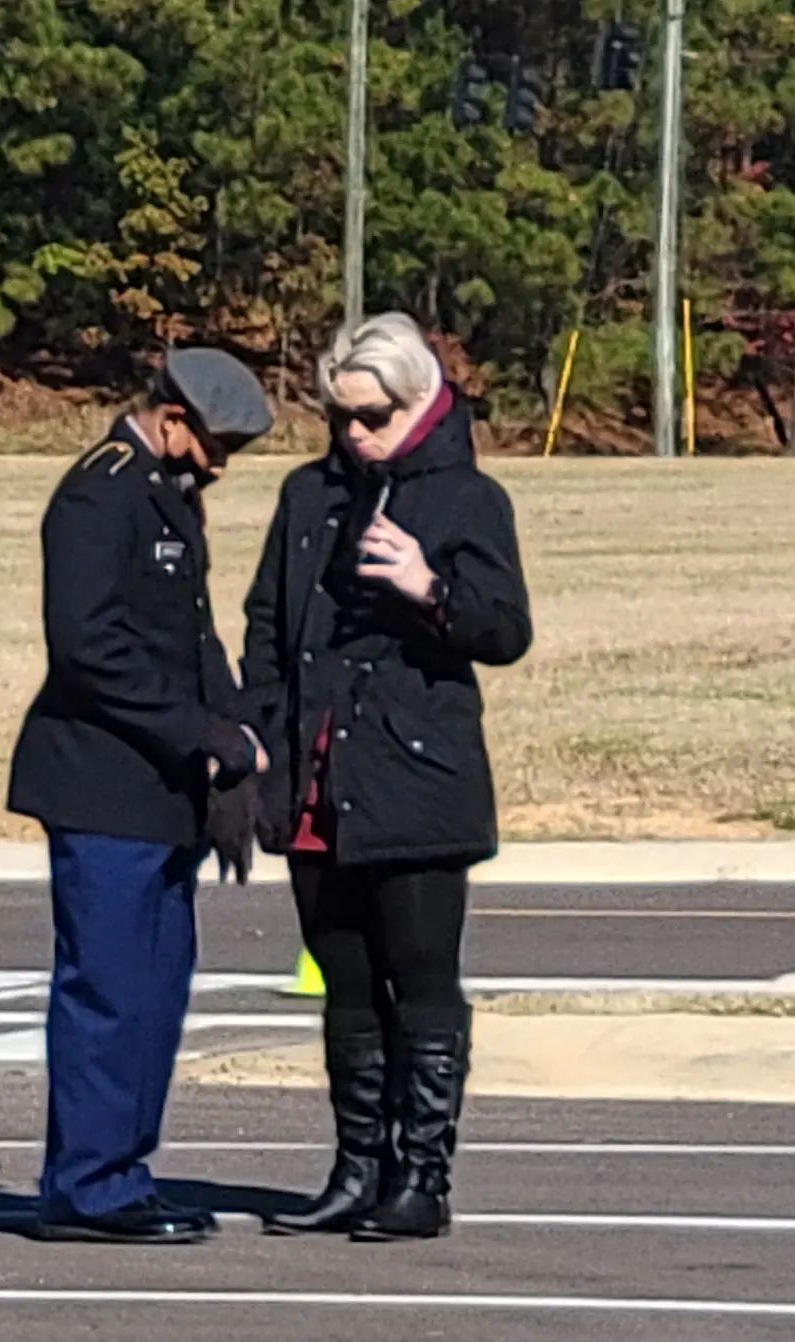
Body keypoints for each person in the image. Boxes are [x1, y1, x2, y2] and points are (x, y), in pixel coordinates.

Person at [239, 312, 532, 1241]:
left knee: (421, 978)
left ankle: (421, 1178)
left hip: (417, 778)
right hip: (317, 775)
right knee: (347, 981)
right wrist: (262, 738)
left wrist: (427, 588)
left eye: (373, 417)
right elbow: (266, 625)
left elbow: (505, 631)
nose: (355, 434)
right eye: (340, 417)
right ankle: (355, 1167)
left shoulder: (467, 500)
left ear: (418, 405)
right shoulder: (307, 496)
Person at [8, 347, 272, 1245]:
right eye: (214, 446)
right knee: (110, 990)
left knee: (156, 992)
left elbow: (191, 638)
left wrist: (235, 741)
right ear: (171, 418)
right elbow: (89, 652)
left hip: (162, 790)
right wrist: (201, 734)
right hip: (103, 785)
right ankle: (86, 1186)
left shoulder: (167, 494)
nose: (220, 466)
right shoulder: (101, 493)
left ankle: (124, 1172)